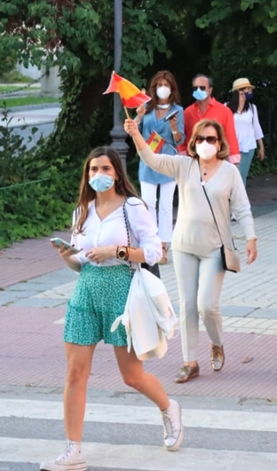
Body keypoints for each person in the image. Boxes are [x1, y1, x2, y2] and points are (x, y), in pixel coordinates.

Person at [42, 147, 180, 471]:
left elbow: (155, 251)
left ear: (117, 173)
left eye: (105, 169)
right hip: (86, 292)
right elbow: (81, 262)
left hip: (122, 294)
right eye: (93, 170)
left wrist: (116, 250)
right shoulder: (83, 210)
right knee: (75, 373)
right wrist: (68, 257)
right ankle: (73, 450)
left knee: (132, 376)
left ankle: (169, 407)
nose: (98, 175)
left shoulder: (132, 207)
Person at [125, 117, 258, 383]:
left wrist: (251, 238)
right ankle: (190, 362)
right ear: (194, 142)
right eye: (201, 139)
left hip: (214, 248)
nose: (206, 144)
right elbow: (153, 160)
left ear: (219, 143)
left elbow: (242, 207)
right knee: (187, 306)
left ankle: (217, 342)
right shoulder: (184, 165)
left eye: (211, 139)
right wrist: (136, 134)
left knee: (207, 306)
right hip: (184, 246)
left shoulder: (230, 171)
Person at [134, 70, 185, 259]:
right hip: (148, 160)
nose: (162, 88)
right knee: (148, 204)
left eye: (166, 85)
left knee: (165, 205)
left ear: (172, 89)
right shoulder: (146, 107)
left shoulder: (177, 110)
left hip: (168, 161)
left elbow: (180, 140)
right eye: (159, 85)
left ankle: (163, 246)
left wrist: (173, 127)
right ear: (153, 88)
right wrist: (138, 116)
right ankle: (150, 243)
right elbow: (134, 131)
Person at [184, 74, 240, 164]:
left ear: (210, 90)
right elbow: (184, 138)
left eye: (202, 88)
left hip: (218, 160)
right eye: (195, 88)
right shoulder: (187, 112)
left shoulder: (224, 111)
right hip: (194, 160)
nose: (198, 90)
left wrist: (234, 162)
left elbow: (231, 137)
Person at [228, 78, 265, 185]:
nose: (249, 91)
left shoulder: (252, 108)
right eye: (247, 89)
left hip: (247, 147)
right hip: (230, 147)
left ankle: (240, 200)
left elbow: (256, 127)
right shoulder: (226, 107)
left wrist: (261, 147)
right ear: (239, 91)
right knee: (230, 176)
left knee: (241, 175)